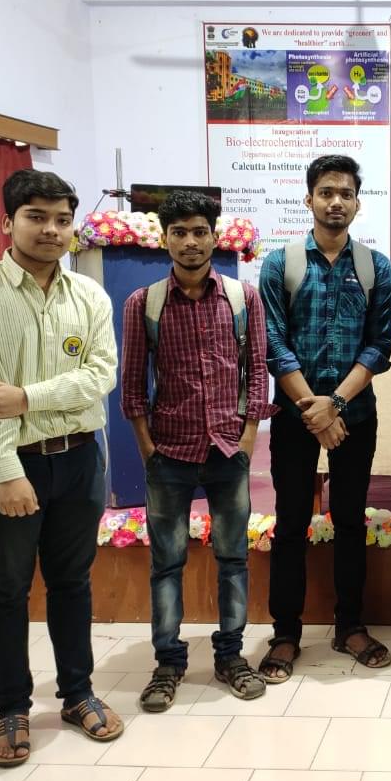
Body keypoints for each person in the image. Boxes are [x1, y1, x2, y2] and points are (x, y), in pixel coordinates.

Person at [0, 168, 123, 766]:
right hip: (8, 465)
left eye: (62, 220)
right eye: (36, 217)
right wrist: (5, 469)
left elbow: (101, 376)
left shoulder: (90, 296)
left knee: (72, 582)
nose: (51, 230)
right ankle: (12, 709)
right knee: (7, 589)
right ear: (7, 222)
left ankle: (77, 693)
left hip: (79, 460)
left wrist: (25, 397)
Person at [121, 190, 272, 710]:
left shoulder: (242, 298)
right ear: (165, 239)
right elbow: (132, 385)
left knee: (233, 558)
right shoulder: (144, 303)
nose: (190, 241)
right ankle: (168, 662)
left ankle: (231, 655)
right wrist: (148, 448)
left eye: (199, 231)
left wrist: (248, 437)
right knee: (167, 562)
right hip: (169, 451)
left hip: (228, 450)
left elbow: (257, 372)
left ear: (214, 236)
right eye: (179, 232)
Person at [257, 154, 391, 680]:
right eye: (326, 192)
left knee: (350, 520)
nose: (336, 202)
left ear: (358, 203)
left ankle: (350, 626)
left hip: (354, 415)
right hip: (295, 416)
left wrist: (333, 404)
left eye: (346, 193)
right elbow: (273, 344)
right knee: (291, 522)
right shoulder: (281, 264)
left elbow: (379, 345)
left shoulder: (375, 267)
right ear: (309, 199)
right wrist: (313, 411)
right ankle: (285, 634)